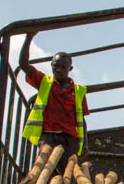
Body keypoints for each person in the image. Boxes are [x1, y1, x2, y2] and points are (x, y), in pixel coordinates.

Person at [18, 33, 88, 173]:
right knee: (45, 169)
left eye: (63, 67)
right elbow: (24, 65)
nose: (59, 70)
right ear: (51, 65)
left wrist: (85, 143)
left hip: (69, 138)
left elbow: (81, 120)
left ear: (70, 69)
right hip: (48, 136)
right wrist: (28, 38)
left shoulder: (78, 91)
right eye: (56, 66)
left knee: (66, 173)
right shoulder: (44, 82)